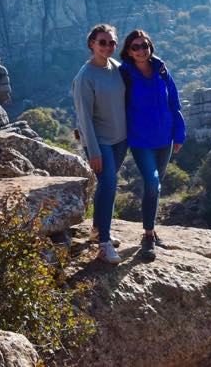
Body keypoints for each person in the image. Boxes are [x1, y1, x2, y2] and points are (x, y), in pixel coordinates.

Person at [119, 29, 185, 261]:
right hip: (140, 140)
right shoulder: (124, 73)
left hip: (164, 138)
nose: (141, 50)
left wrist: (179, 133)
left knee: (155, 185)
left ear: (150, 47)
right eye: (135, 47)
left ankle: (152, 229)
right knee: (153, 182)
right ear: (128, 51)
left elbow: (173, 102)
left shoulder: (161, 70)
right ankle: (148, 236)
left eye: (144, 45)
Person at [71, 24, 128, 265]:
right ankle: (104, 244)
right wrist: (93, 151)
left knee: (106, 186)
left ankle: (97, 229)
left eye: (112, 42)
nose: (108, 47)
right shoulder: (85, 77)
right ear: (91, 44)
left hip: (120, 139)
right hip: (99, 141)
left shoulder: (116, 68)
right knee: (109, 183)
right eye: (102, 42)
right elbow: (84, 118)